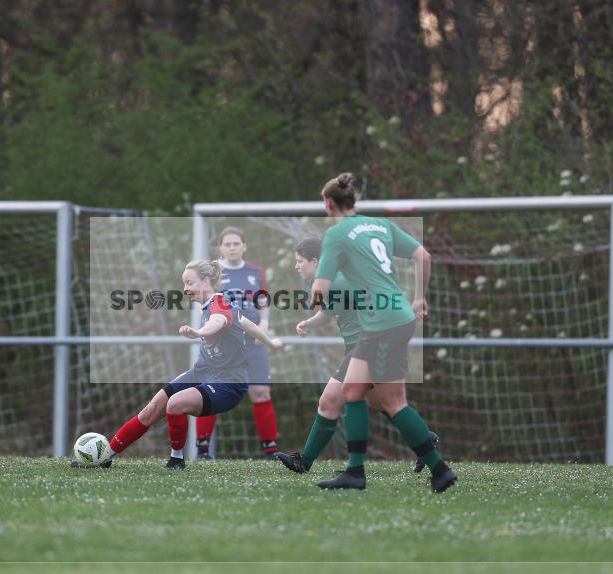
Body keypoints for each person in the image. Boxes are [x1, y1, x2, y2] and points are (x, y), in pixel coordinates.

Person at [309, 173, 457, 493]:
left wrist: (315, 299)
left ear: (328, 203)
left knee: (394, 402)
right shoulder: (380, 225)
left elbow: (320, 288)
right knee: (353, 392)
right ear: (353, 202)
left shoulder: (336, 235)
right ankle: (355, 471)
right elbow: (423, 256)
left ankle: (438, 468)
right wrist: (419, 296)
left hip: (382, 323)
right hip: (394, 316)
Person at [71, 260, 283, 470]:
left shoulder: (219, 305)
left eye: (190, 283)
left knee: (175, 404)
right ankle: (107, 456)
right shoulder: (218, 305)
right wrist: (270, 342)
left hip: (229, 383)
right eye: (184, 283)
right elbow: (248, 324)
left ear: (206, 281)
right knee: (152, 409)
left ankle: (176, 460)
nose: (185, 288)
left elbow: (218, 321)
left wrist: (199, 332)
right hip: (202, 372)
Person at [277, 237, 437, 476]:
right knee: (380, 402)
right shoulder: (332, 279)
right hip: (367, 344)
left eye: (300, 261)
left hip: (367, 345)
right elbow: (327, 314)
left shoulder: (336, 281)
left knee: (328, 400)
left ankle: (305, 460)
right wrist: (309, 323)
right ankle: (425, 440)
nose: (297, 266)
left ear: (315, 261)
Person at [195, 227, 280, 459]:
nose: (232, 247)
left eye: (236, 243)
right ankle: (202, 449)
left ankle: (271, 451)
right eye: (227, 244)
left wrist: (263, 325)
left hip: (252, 341)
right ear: (220, 247)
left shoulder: (255, 272)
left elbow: (263, 303)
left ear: (244, 246)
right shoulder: (213, 272)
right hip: (223, 342)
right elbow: (202, 303)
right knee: (210, 389)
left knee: (261, 391)